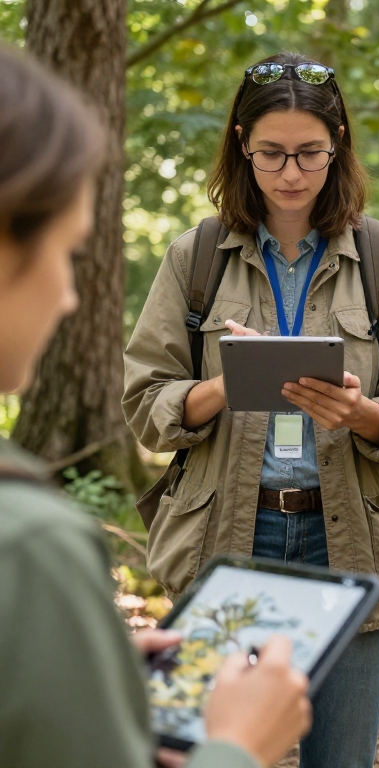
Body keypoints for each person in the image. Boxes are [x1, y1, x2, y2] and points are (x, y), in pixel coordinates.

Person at [122, 51, 379, 768]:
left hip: (351, 536)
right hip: (226, 539)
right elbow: (145, 406)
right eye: (272, 154)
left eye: (310, 153)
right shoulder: (195, 257)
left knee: (341, 759)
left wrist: (363, 414)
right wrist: (223, 388)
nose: (292, 173)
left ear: (339, 148)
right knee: (215, 753)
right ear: (241, 143)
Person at [0, 44, 311, 768]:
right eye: (67, 252)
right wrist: (236, 747)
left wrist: (78, 674)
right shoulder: (29, 544)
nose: (71, 295)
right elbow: (147, 400)